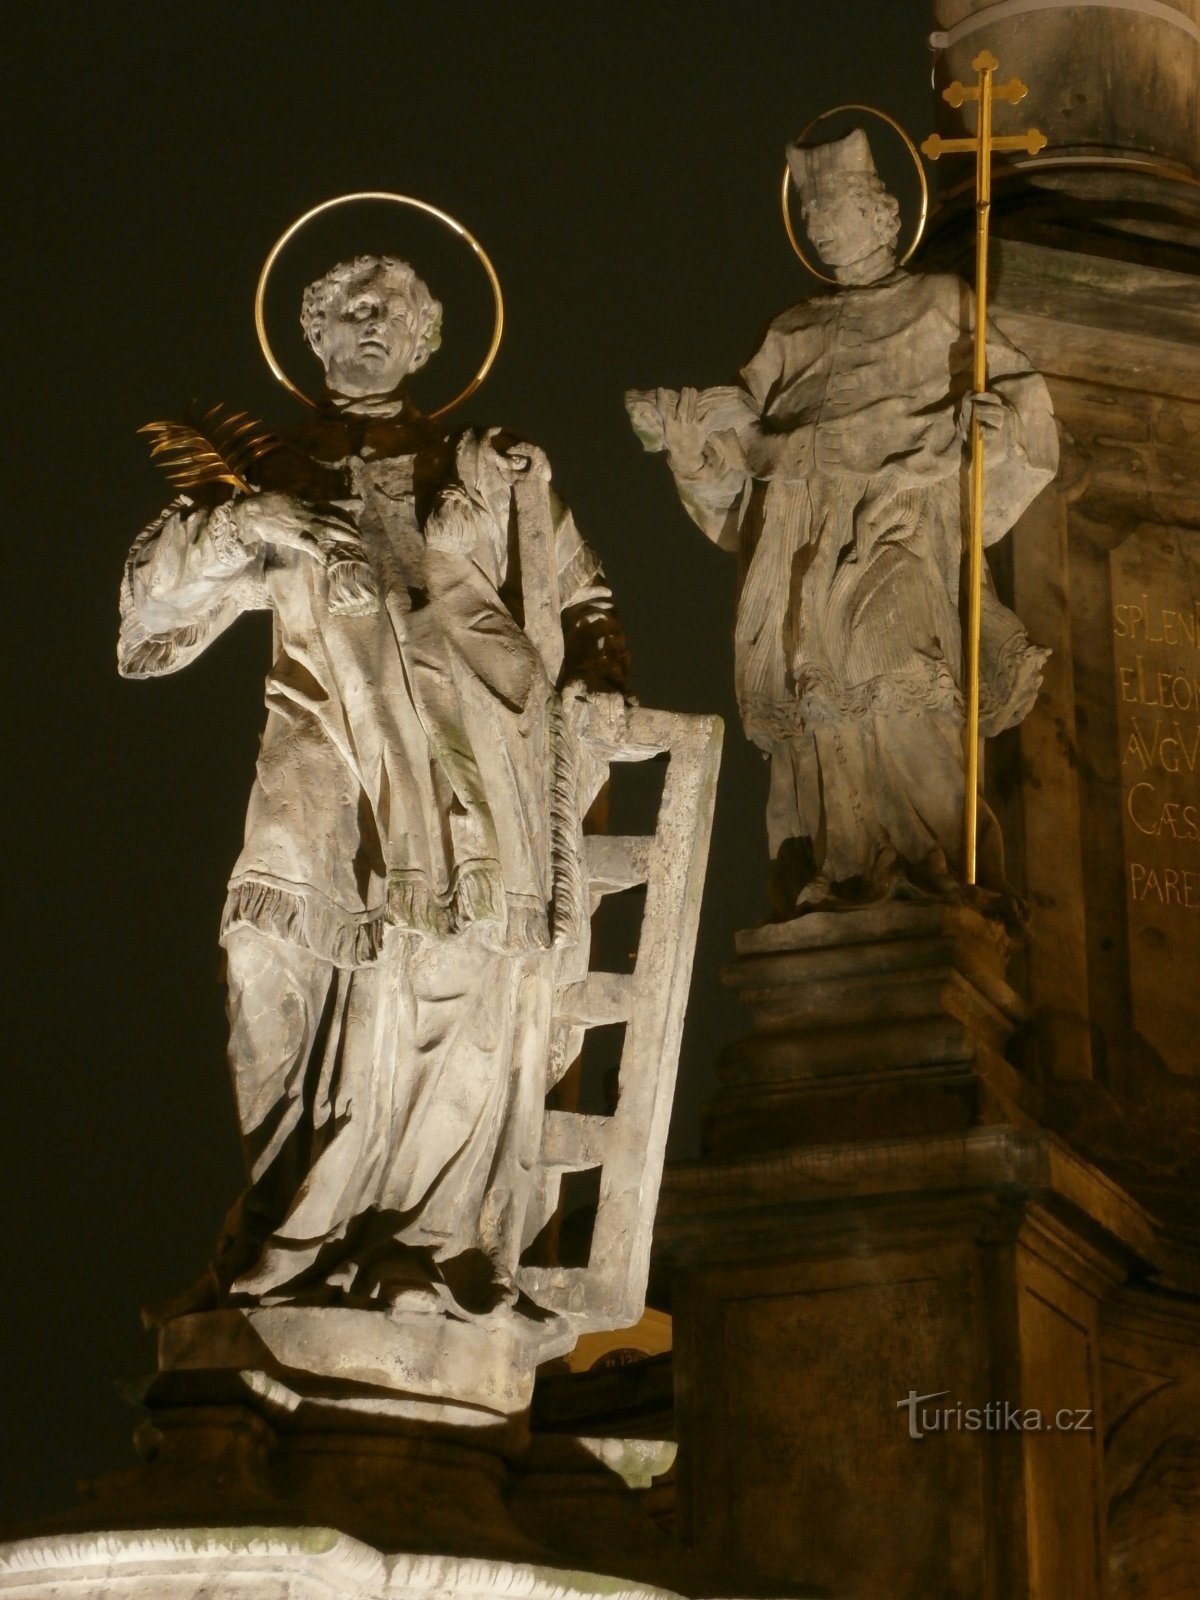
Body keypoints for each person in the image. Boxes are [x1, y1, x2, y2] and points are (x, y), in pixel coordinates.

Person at [120, 254, 629, 1322]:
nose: (368, 325)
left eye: (390, 313)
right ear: (312, 336)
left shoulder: (480, 467)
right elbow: (147, 636)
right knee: (266, 969)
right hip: (321, 760)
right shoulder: (278, 473)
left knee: (461, 982)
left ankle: (425, 1246)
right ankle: (286, 1235)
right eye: (346, 311)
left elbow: (583, 597)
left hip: (465, 774)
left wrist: (600, 671)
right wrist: (249, 523)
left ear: (423, 342)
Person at [628, 129, 1057, 914]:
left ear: (884, 217)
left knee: (895, 668)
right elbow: (739, 461)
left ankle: (938, 863)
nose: (824, 226)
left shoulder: (943, 304)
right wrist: (692, 453)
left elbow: (1022, 404)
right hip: (803, 537)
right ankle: (846, 862)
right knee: (818, 692)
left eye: (838, 210)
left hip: (900, 520)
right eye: (813, 214)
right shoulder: (792, 331)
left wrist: (995, 429)